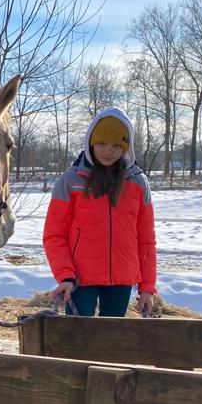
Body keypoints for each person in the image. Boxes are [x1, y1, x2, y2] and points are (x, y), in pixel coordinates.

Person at [43, 107, 157, 318]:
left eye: (116, 145)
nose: (108, 151)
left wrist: (147, 287)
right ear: (91, 142)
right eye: (102, 143)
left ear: (126, 147)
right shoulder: (70, 181)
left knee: (110, 342)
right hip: (79, 278)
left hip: (121, 278)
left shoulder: (139, 183)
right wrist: (65, 274)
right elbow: (54, 235)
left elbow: (146, 240)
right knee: (78, 338)